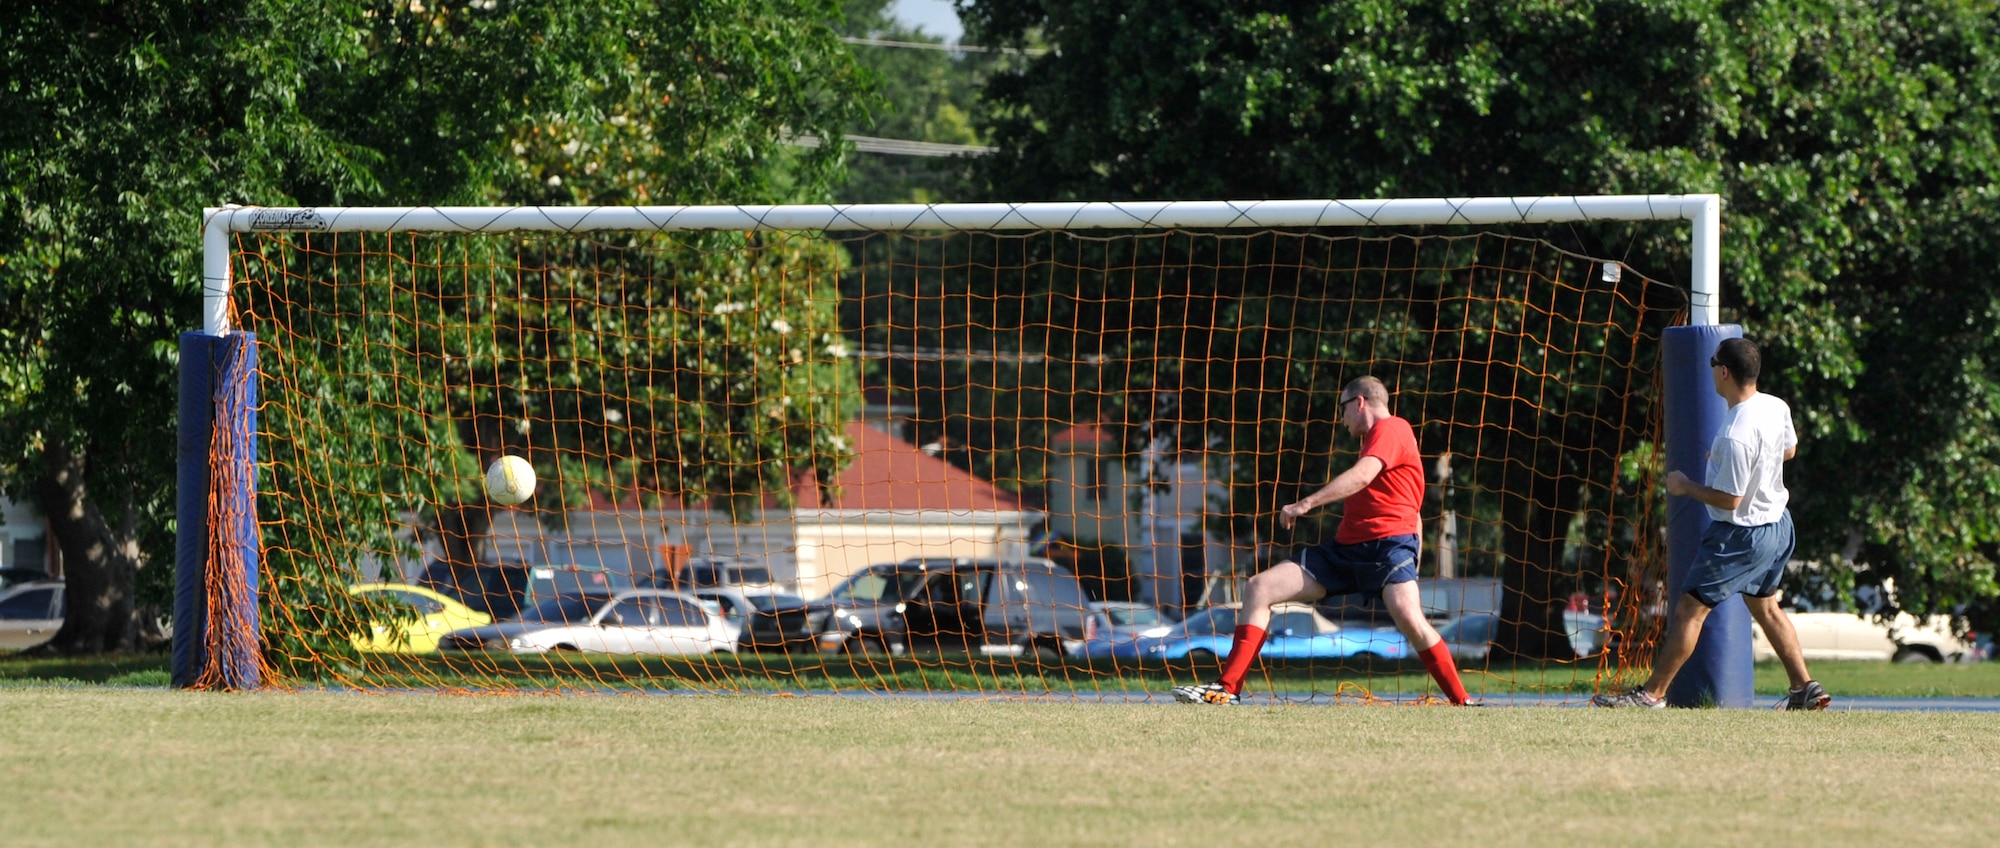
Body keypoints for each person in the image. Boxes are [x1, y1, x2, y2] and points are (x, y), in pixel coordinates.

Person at [1171, 376, 1473, 706]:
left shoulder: (1392, 428)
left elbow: (1361, 476)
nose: (1341, 420)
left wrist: (1305, 504)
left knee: (1411, 620)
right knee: (1259, 587)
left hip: (1388, 547)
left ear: (1359, 403)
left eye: (1342, 409)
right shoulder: (1377, 440)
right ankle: (1227, 689)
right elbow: (1410, 500)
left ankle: (1462, 701)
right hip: (1345, 550)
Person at [1593, 337, 1831, 710]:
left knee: (1690, 610)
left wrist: (1685, 486)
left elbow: (1730, 500)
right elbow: (1788, 450)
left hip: (1741, 535)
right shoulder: (1774, 405)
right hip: (1778, 525)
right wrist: (1727, 463)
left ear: (1724, 372)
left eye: (1713, 365)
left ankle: (1651, 695)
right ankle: (1804, 687)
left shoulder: (1735, 433)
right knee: (1767, 607)